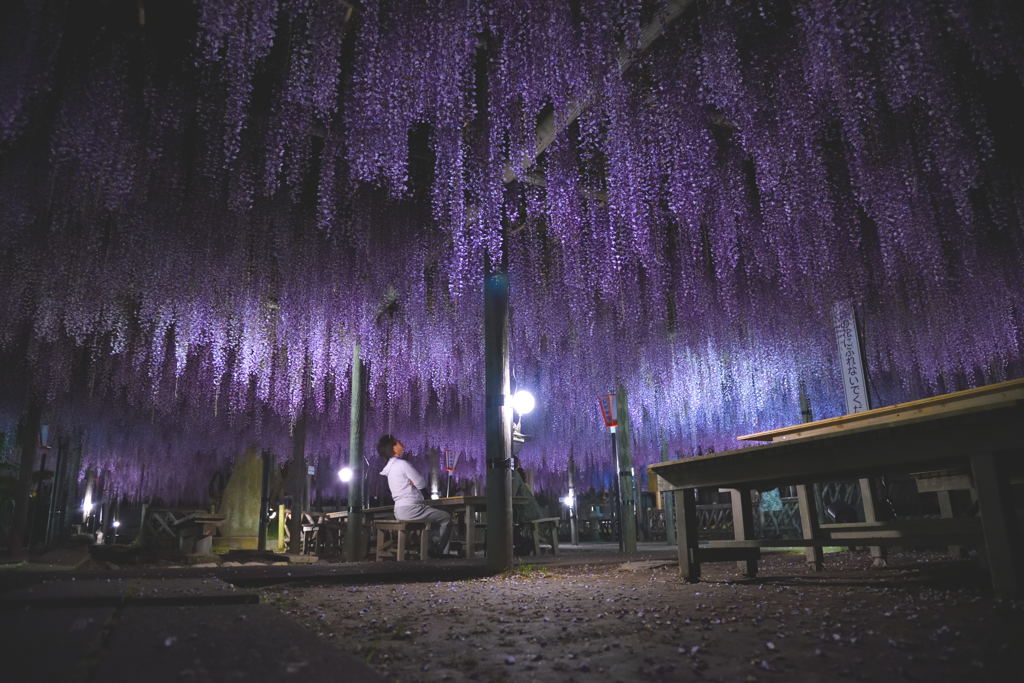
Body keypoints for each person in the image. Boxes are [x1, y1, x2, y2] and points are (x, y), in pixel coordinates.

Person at [377, 434, 452, 558]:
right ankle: (437, 551)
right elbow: (421, 483)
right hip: (411, 508)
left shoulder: (390, 468)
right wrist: (427, 497)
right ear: (393, 447)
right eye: (398, 442)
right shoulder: (402, 464)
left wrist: (414, 484)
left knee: (434, 518)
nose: (402, 443)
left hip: (399, 510)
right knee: (445, 517)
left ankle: (430, 547)